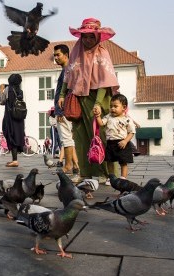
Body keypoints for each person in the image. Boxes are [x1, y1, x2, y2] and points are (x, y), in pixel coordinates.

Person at [58, 18, 119, 183]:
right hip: (78, 100)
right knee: (80, 136)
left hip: (97, 100)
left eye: (92, 36)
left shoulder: (102, 54)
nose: (88, 40)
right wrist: (63, 95)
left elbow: (104, 82)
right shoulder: (77, 54)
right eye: (85, 36)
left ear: (98, 37)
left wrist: (98, 103)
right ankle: (84, 172)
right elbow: (68, 77)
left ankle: (105, 173)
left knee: (99, 136)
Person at [53, 44, 80, 179]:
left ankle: (68, 165)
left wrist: (59, 111)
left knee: (66, 139)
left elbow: (64, 93)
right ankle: (75, 166)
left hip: (64, 111)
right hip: (66, 110)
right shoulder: (68, 69)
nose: (56, 58)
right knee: (69, 140)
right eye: (55, 55)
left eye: (58, 55)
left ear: (66, 54)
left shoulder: (67, 70)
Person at [95, 94, 136, 179]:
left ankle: (123, 178)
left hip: (122, 143)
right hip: (110, 143)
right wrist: (98, 117)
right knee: (109, 161)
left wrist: (125, 141)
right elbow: (101, 123)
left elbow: (131, 132)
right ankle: (111, 177)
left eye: (115, 106)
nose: (112, 108)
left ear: (124, 107)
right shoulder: (108, 116)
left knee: (123, 162)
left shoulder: (127, 119)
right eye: (111, 106)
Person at [0, 73, 25, 167]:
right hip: (19, 117)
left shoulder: (7, 89)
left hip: (10, 116)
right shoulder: (20, 91)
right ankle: (15, 159)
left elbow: (1, 101)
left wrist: (1, 91)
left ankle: (14, 161)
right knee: (17, 135)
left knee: (10, 134)